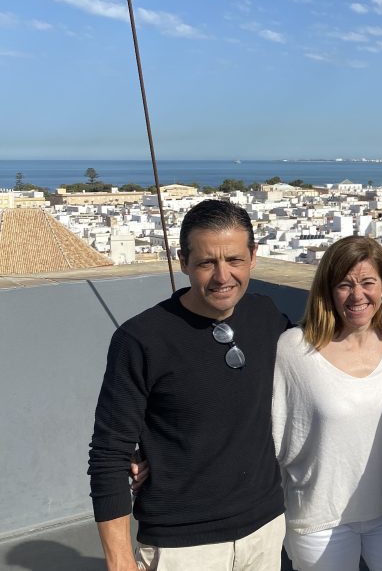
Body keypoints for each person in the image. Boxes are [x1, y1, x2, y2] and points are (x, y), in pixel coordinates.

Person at [89, 199, 288, 571]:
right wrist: (119, 559)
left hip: (264, 530)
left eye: (234, 260)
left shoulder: (266, 315)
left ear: (253, 256)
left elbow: (325, 347)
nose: (222, 276)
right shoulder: (141, 339)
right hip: (183, 546)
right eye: (206, 262)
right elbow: (108, 454)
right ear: (183, 261)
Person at [273, 235, 382, 571]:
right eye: (345, 284)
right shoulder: (294, 350)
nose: (357, 295)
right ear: (328, 289)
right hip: (319, 519)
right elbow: (272, 436)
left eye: (367, 282)